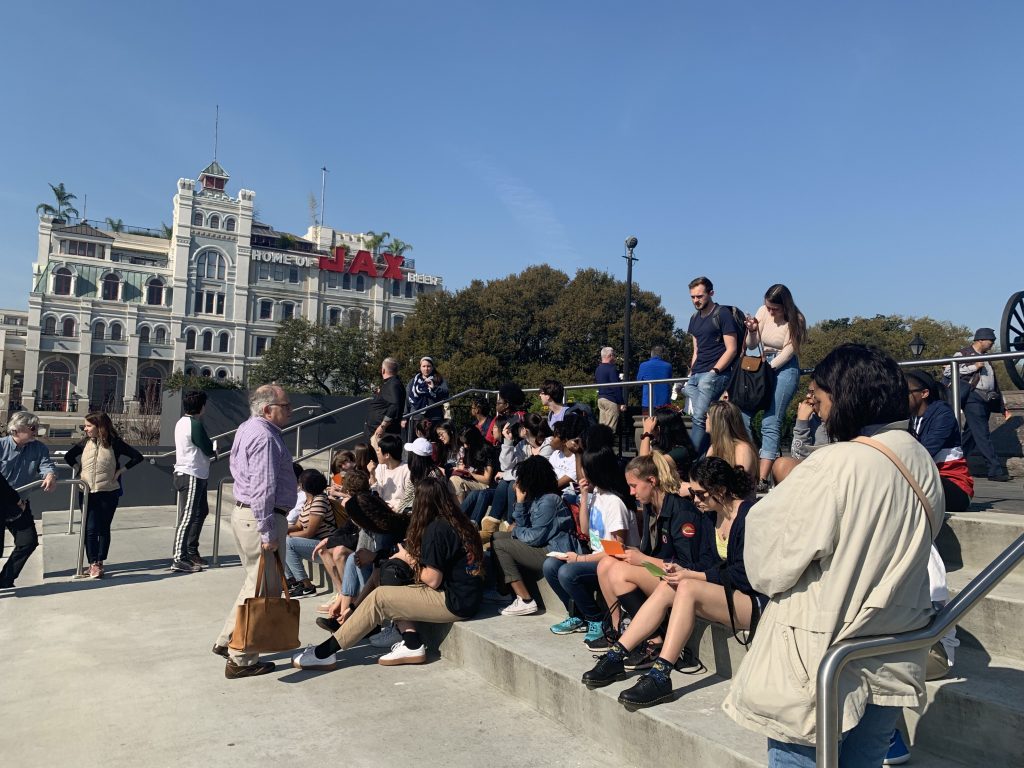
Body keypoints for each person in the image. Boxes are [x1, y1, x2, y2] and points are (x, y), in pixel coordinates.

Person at [721, 344, 943, 766]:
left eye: (819, 401)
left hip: (821, 654)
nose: (818, 411)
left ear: (844, 397)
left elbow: (767, 566)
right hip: (890, 646)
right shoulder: (920, 460)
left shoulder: (836, 464)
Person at [582, 457, 764, 708]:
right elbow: (705, 563)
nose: (695, 499)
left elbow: (745, 575)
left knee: (686, 585)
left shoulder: (748, 516)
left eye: (700, 494)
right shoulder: (713, 516)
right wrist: (682, 570)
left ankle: (661, 674)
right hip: (724, 593)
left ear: (720, 491)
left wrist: (693, 575)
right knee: (672, 583)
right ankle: (618, 654)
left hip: (752, 601)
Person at [292, 476, 484, 670]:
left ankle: (324, 653)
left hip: (454, 602)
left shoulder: (437, 529)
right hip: (468, 596)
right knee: (390, 574)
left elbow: (433, 580)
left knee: (381, 597)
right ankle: (411, 643)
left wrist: (407, 558)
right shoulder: (458, 522)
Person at [595, 452, 715, 670]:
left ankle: (655, 640)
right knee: (606, 564)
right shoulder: (651, 506)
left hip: (685, 579)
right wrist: (633, 554)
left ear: (652, 481)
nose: (631, 492)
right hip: (662, 573)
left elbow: (687, 565)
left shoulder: (681, 511)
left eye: (634, 486)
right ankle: (618, 631)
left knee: (620, 573)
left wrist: (642, 559)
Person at [212, 384, 297, 679]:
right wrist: (267, 530)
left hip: (249, 514)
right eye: (285, 406)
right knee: (262, 588)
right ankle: (242, 658)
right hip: (262, 516)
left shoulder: (249, 428)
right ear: (267, 409)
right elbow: (263, 487)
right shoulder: (264, 436)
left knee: (253, 582)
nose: (290, 410)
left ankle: (228, 640)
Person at [544, 446, 638, 645]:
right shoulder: (597, 496)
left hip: (614, 563)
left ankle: (595, 619)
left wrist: (580, 559)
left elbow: (618, 549)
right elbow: (586, 531)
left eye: (584, 468)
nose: (581, 473)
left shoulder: (614, 502)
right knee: (551, 566)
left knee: (567, 572)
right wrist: (585, 496)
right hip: (598, 557)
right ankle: (578, 615)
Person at [492, 456, 581, 616]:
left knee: (501, 545)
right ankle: (506, 590)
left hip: (554, 551)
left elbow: (534, 537)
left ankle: (525, 600)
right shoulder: (536, 498)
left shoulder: (549, 501)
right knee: (497, 537)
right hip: (542, 546)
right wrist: (520, 502)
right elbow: (524, 526)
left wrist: (515, 530)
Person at [742, 284, 807, 492]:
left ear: (785, 306)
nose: (770, 312)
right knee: (742, 413)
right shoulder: (763, 312)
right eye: (768, 307)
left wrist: (769, 368)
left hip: (784, 368)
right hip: (762, 363)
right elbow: (752, 344)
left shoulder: (797, 319)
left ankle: (762, 478)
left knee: (771, 420)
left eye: (775, 309)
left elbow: (789, 351)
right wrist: (752, 330)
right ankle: (748, 465)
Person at [64, 412, 143, 579]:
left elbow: (137, 457)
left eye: (88, 426)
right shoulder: (85, 442)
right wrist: (78, 468)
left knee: (103, 528)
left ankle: (99, 561)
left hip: (108, 492)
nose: (85, 429)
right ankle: (93, 562)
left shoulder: (115, 443)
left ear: (100, 426)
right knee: (89, 528)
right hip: (86, 492)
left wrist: (120, 471)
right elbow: (68, 456)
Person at [0, 411, 58, 589]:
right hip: (2, 503)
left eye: (37, 428)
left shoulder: (38, 448)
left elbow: (46, 464)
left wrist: (49, 474)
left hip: (21, 505)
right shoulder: (1, 446)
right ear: (16, 430)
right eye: (32, 428)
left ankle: (4, 580)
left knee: (28, 541)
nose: (36, 431)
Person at [944, 328, 1010, 481]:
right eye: (990, 341)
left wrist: (1001, 404)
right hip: (972, 396)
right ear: (980, 340)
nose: (992, 344)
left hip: (985, 398)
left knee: (971, 434)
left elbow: (993, 383)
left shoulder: (986, 357)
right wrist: (974, 367)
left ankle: (958, 464)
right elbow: (948, 371)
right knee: (982, 433)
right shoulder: (963, 354)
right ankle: (995, 470)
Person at [683, 276, 740, 449]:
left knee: (699, 416)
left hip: (716, 373)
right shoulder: (694, 318)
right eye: (693, 297)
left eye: (699, 296)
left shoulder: (722, 314)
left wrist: (714, 371)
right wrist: (691, 373)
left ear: (711, 293)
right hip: (697, 373)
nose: (696, 300)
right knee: (699, 406)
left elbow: (732, 348)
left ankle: (694, 460)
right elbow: (696, 349)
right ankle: (714, 447)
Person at [906, 369, 974, 512]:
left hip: (955, 487)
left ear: (924, 393)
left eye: (905, 392)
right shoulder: (909, 418)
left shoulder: (943, 413)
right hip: (925, 482)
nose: (900, 398)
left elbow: (925, 451)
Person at [170, 390, 216, 574]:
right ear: (201, 406)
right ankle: (178, 558)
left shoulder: (182, 422)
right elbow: (206, 447)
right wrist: (214, 450)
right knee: (188, 516)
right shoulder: (194, 424)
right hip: (190, 474)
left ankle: (190, 550)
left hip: (196, 473)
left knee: (200, 511)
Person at [285, 469, 338, 597]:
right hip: (316, 543)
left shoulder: (319, 501)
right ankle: (293, 580)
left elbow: (309, 532)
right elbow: (298, 525)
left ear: (303, 486)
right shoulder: (309, 501)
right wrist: (280, 529)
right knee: (280, 539)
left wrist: (288, 536)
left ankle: (307, 586)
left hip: (326, 546)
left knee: (288, 542)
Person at [770, 390, 828, 486]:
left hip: (835, 471)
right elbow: (798, 457)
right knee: (782, 464)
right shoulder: (809, 418)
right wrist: (801, 421)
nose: (808, 395)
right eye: (808, 391)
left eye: (813, 392)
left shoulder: (844, 419)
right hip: (811, 473)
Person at [705, 401, 758, 483]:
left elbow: (740, 483)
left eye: (707, 417)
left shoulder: (742, 448)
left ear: (716, 422)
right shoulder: (714, 447)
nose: (705, 421)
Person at [637, 406, 697, 472]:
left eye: (654, 426)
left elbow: (644, 465)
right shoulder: (657, 444)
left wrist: (647, 432)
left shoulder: (681, 451)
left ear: (660, 428)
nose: (652, 429)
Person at [402, 356, 449, 437]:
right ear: (420, 367)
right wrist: (404, 417)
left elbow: (446, 393)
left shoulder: (439, 379)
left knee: (433, 445)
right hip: (416, 418)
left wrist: (434, 388)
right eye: (423, 366)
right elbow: (407, 399)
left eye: (428, 366)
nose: (426, 369)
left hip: (434, 418)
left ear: (432, 367)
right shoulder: (413, 381)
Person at [448, 426, 497, 504]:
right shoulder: (469, 449)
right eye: (463, 443)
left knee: (455, 481)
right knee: (453, 479)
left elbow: (487, 479)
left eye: (467, 443)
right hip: (474, 480)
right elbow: (471, 468)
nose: (465, 446)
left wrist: (468, 472)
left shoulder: (486, 450)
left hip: (486, 485)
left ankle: (460, 512)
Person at [365, 357, 405, 443]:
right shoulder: (391, 384)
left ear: (383, 370)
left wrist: (383, 426)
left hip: (383, 433)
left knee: (380, 456)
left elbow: (395, 405)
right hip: (379, 431)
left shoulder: (393, 384)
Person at [371, 434, 411, 512]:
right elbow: (376, 492)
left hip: (399, 512)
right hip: (382, 508)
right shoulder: (380, 467)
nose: (377, 453)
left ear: (387, 455)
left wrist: (395, 509)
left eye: (378, 450)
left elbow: (409, 498)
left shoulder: (407, 470)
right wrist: (372, 473)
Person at [595, 347, 626, 432]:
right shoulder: (612, 368)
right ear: (610, 356)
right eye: (614, 355)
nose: (615, 357)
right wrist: (621, 403)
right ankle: (607, 444)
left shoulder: (598, 369)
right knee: (610, 430)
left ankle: (601, 445)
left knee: (602, 429)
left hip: (601, 399)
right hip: (611, 401)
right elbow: (616, 387)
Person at [637, 344, 673, 410]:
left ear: (651, 353)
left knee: (648, 420)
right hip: (664, 402)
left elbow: (639, 382)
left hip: (648, 402)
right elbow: (670, 383)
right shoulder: (668, 366)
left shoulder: (643, 365)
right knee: (664, 420)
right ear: (662, 354)